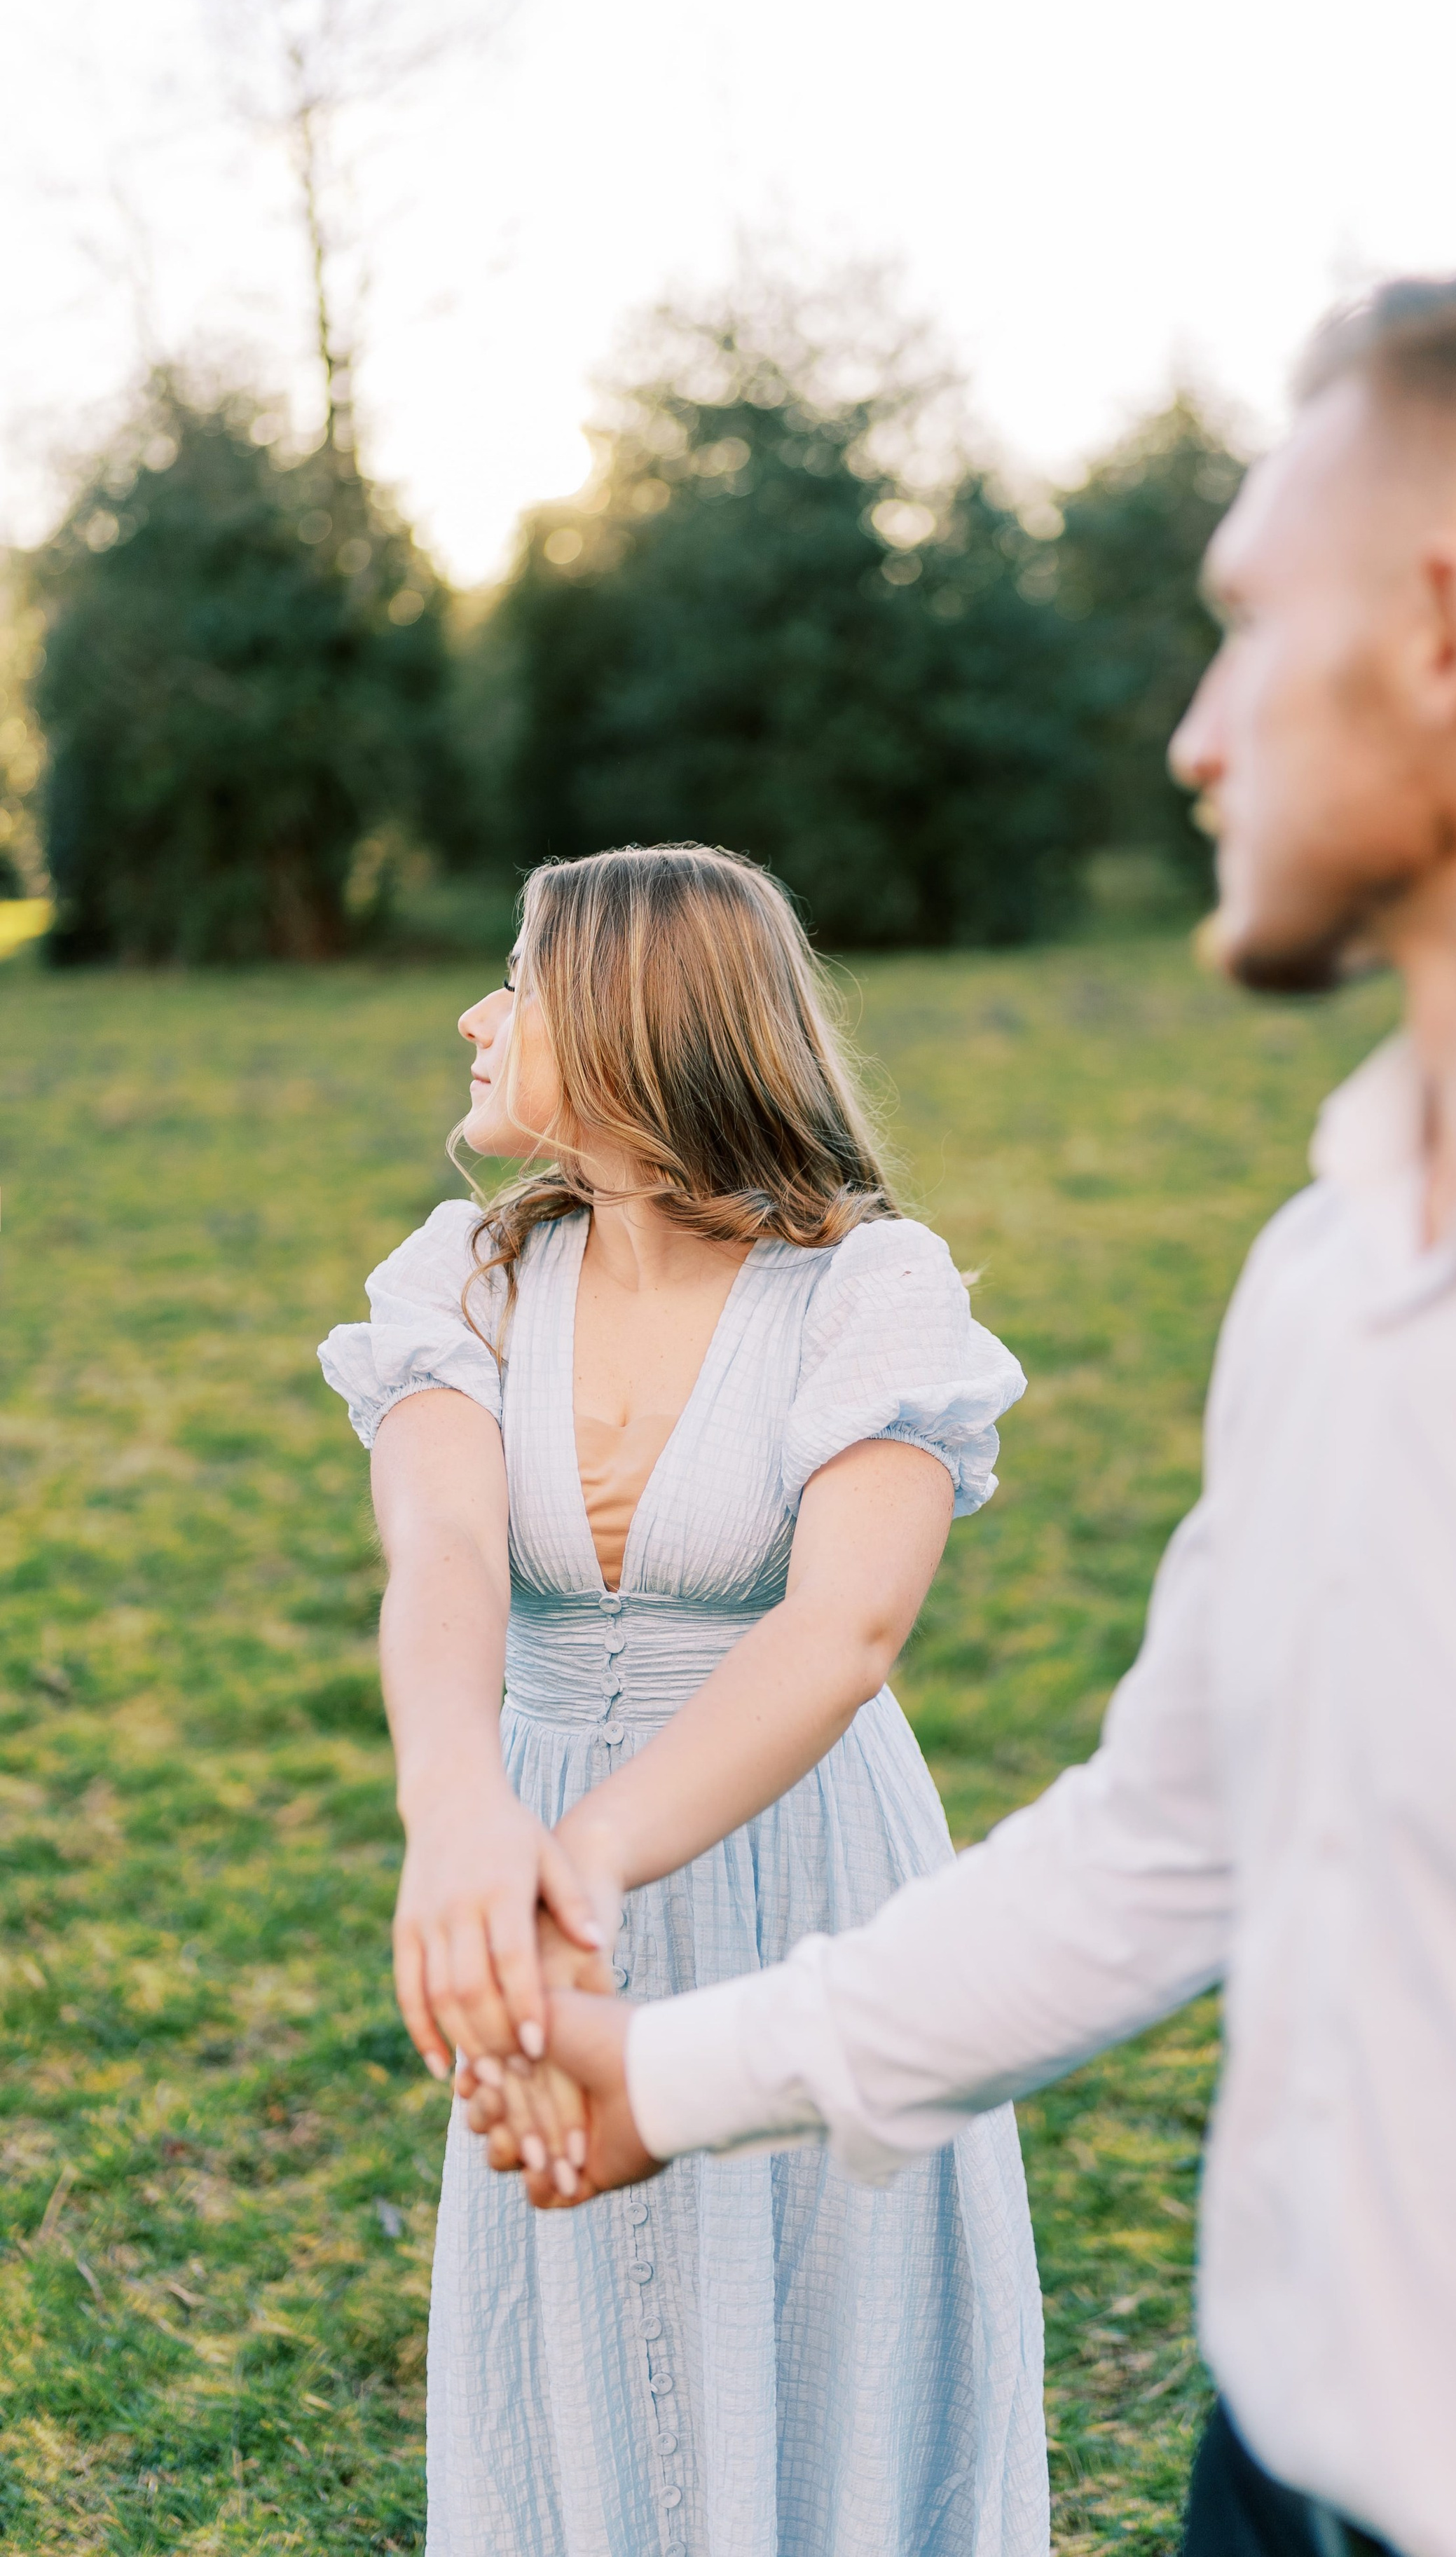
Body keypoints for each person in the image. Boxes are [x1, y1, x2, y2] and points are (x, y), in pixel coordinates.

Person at [472, 272, 1456, 2557]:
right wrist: (664, 2083)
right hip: (1268, 2485)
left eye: (1246, 626)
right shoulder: (1330, 1267)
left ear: (1448, 632)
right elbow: (1165, 1841)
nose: (1193, 738)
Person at [317, 845, 1048, 2557]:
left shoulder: (871, 1295)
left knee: (825, 2304)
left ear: (642, 1028)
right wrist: (459, 1818)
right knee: (578, 2325)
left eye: (520, 973)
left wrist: (576, 1857)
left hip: (804, 1856)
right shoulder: (465, 1281)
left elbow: (842, 1632)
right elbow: (441, 1557)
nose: (475, 1013)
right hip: (534, 1841)